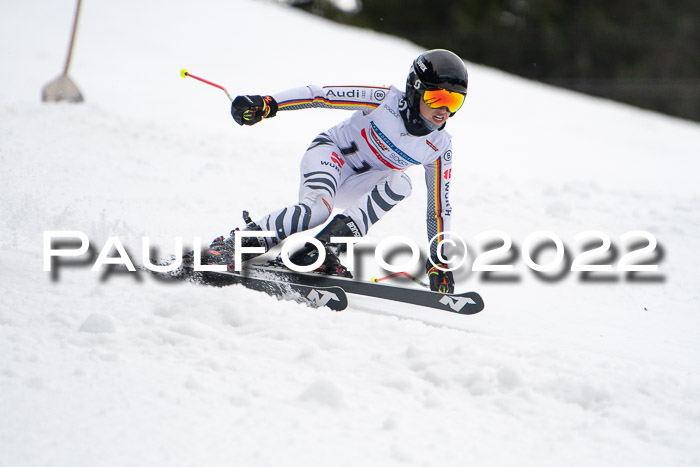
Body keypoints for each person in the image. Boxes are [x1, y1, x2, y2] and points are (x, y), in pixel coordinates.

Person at [196, 49, 467, 293]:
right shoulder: (383, 100)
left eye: (454, 102)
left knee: (402, 183)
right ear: (415, 90)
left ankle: (317, 252)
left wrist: (439, 261)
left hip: (360, 183)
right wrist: (269, 103)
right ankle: (231, 247)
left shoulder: (439, 147)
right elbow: (320, 95)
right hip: (332, 154)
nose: (443, 110)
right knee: (316, 211)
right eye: (437, 97)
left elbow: (439, 209)